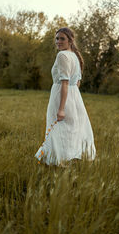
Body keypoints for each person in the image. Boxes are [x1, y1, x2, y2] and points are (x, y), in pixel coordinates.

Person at [34, 27, 96, 167]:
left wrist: (61, 108)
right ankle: (68, 159)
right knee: (71, 130)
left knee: (57, 129)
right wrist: (72, 100)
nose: (58, 41)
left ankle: (56, 161)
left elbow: (65, 82)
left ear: (70, 40)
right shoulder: (74, 55)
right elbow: (77, 83)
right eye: (57, 38)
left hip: (61, 97)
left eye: (62, 38)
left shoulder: (62, 55)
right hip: (74, 97)